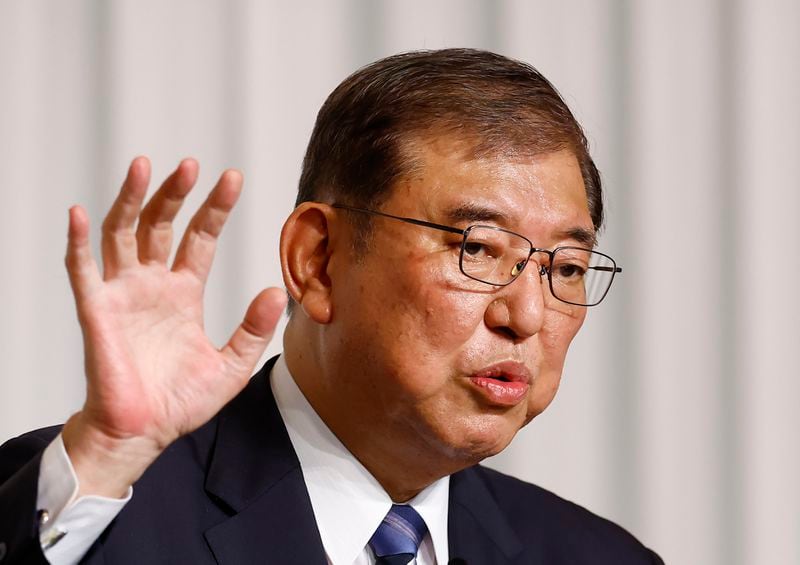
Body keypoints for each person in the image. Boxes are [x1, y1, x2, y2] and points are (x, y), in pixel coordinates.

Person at [0, 49, 662, 564]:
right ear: (317, 260)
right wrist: (110, 454)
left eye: (566, 268)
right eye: (479, 249)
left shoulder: (598, 555)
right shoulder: (106, 499)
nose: (527, 315)